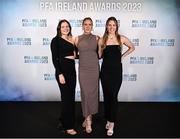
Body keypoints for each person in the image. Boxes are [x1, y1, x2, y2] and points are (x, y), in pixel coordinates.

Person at [98, 16, 135, 136]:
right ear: (106, 26)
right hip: (105, 72)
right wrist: (99, 46)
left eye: (114, 25)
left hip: (116, 72)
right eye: (109, 25)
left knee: (113, 96)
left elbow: (132, 47)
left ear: (116, 26)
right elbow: (100, 56)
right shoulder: (102, 40)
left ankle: (112, 123)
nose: (111, 27)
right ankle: (108, 119)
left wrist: (122, 56)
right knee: (107, 97)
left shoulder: (121, 38)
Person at [50, 19, 77, 135]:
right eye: (63, 27)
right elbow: (54, 58)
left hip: (72, 71)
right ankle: (68, 127)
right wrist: (60, 73)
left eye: (67, 26)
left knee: (70, 98)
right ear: (59, 28)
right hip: (62, 72)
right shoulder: (55, 40)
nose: (65, 28)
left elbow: (76, 55)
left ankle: (63, 120)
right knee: (67, 99)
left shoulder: (72, 39)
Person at [75, 17, 99, 133]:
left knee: (93, 94)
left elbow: (101, 54)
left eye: (90, 24)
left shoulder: (97, 38)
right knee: (85, 93)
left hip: (94, 69)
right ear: (82, 26)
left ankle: (88, 119)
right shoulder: (77, 39)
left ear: (92, 26)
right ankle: (88, 118)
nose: (88, 26)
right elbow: (74, 54)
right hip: (83, 70)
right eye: (85, 24)